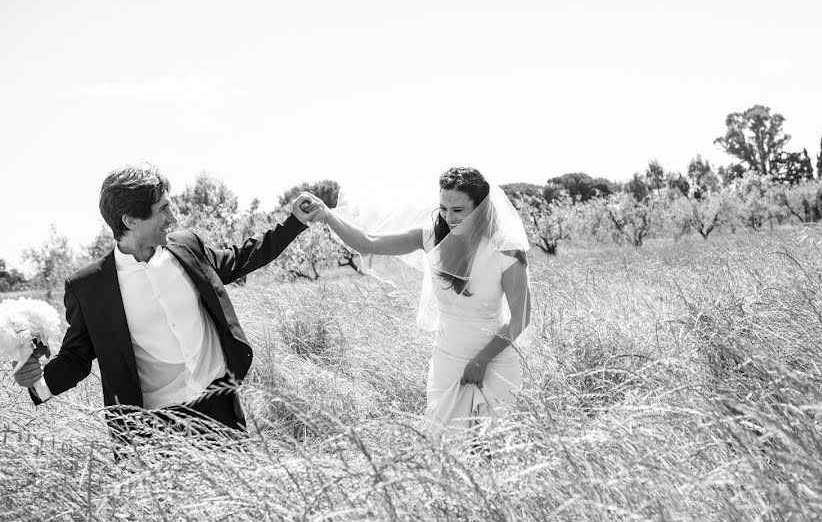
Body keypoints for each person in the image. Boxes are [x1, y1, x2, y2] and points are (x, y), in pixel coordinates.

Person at [13, 165, 318, 441]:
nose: (173, 218)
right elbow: (77, 356)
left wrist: (294, 223)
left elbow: (239, 258)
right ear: (131, 220)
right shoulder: (89, 287)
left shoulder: (187, 247)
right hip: (154, 428)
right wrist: (38, 381)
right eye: (163, 210)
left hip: (221, 405)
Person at [299, 166, 531, 441]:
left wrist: (482, 360)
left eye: (458, 210)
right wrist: (327, 215)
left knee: (493, 448)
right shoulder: (431, 236)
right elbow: (368, 242)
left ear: (480, 207)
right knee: (444, 444)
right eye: (443, 208)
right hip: (447, 358)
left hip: (494, 360)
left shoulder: (505, 248)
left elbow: (521, 317)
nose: (449, 217)